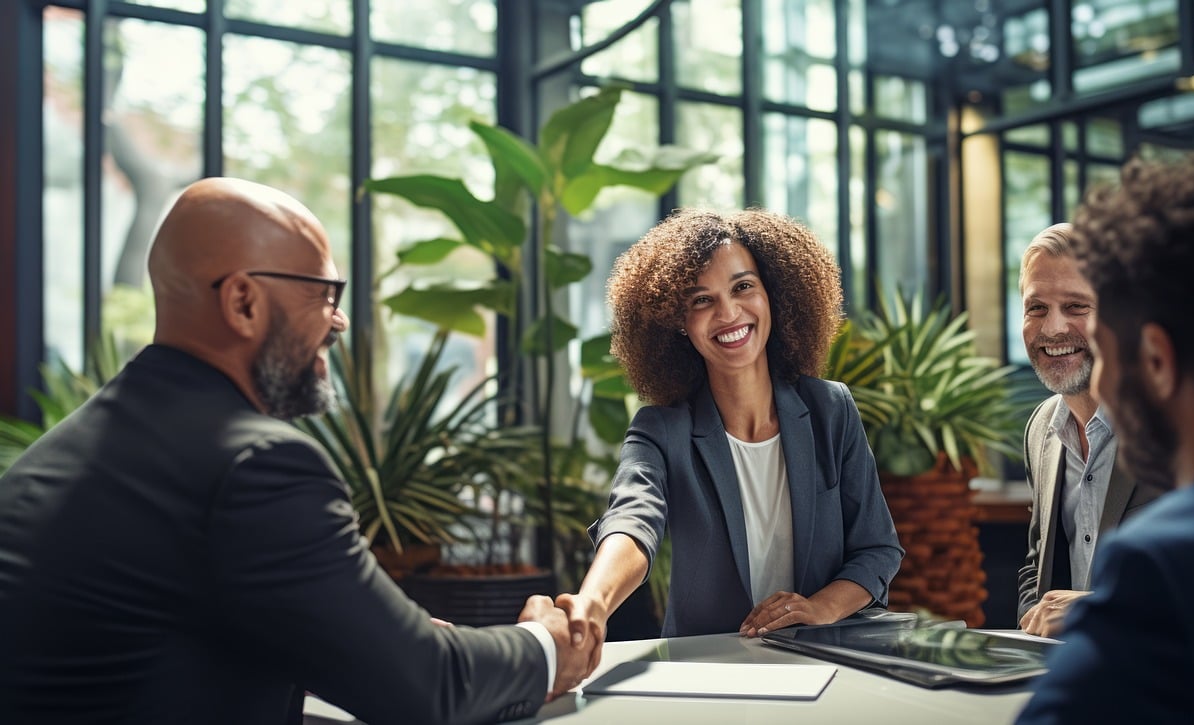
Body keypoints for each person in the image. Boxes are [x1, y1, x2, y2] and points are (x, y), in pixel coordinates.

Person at [0, 177, 593, 724]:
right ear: (243, 302)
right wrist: (543, 645)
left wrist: (374, 633)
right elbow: (426, 686)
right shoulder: (254, 464)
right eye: (325, 293)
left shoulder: (56, 455)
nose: (338, 322)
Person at [555, 208, 903, 670]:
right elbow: (632, 521)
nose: (728, 313)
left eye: (743, 287)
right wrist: (593, 603)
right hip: (708, 669)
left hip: (828, 663)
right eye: (701, 300)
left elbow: (877, 549)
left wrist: (820, 607)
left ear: (773, 295)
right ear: (678, 322)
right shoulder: (662, 429)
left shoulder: (830, 409)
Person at [1017, 154, 1194, 722]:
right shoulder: (1041, 428)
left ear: (1156, 358)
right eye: (1037, 307)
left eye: (1110, 348)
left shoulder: (1164, 563)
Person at [1015, 223, 1164, 637]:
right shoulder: (1040, 428)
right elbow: (1037, 562)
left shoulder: (1178, 425)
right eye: (1036, 307)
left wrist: (1100, 610)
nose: (1052, 329)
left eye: (1077, 306)